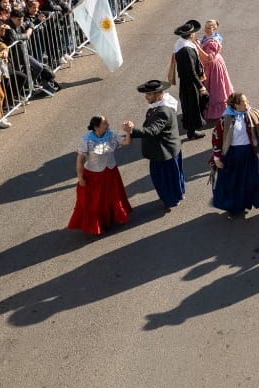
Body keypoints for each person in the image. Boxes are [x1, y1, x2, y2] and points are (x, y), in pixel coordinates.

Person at [209, 92, 259, 218]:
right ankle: (234, 208)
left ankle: (246, 203)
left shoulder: (253, 113)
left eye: (246, 101)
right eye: (244, 102)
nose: (247, 103)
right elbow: (217, 138)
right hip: (233, 156)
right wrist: (217, 157)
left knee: (250, 181)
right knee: (233, 183)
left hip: (250, 155)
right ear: (236, 105)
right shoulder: (225, 119)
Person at [123, 79, 185, 211]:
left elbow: (152, 131)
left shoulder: (162, 111)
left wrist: (132, 130)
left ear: (158, 95)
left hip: (164, 152)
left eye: (149, 94)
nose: (146, 97)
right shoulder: (160, 106)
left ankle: (171, 200)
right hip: (167, 149)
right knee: (172, 177)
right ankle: (177, 195)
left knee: (164, 180)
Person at [69, 114, 132, 235]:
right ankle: (98, 223)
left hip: (111, 173)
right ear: (96, 127)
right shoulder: (87, 140)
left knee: (112, 197)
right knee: (96, 201)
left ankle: (111, 219)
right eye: (105, 123)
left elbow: (126, 142)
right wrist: (80, 176)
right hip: (94, 175)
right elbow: (80, 159)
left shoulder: (111, 135)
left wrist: (128, 132)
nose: (108, 125)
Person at [168, 19, 208, 140]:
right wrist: (200, 86)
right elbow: (191, 71)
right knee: (193, 105)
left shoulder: (181, 44)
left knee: (190, 105)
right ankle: (192, 130)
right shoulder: (186, 50)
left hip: (186, 81)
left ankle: (191, 126)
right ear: (190, 35)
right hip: (190, 82)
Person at [199, 19, 234, 121]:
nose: (206, 29)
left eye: (209, 27)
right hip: (210, 66)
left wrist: (197, 47)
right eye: (205, 27)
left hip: (213, 67)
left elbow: (209, 58)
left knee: (216, 87)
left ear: (215, 28)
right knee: (210, 86)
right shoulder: (208, 37)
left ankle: (217, 110)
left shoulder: (213, 41)